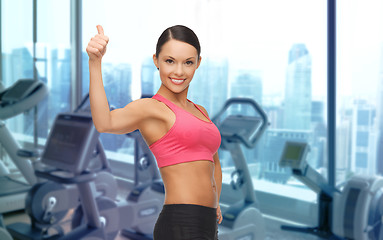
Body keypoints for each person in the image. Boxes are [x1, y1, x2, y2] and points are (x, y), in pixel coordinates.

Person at [86, 24, 223, 240]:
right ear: (156, 60)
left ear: (198, 63)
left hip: (208, 221)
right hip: (181, 222)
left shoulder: (200, 111)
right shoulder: (151, 108)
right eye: (170, 61)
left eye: (188, 62)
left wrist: (216, 203)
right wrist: (95, 63)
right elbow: (105, 123)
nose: (179, 71)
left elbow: (212, 160)